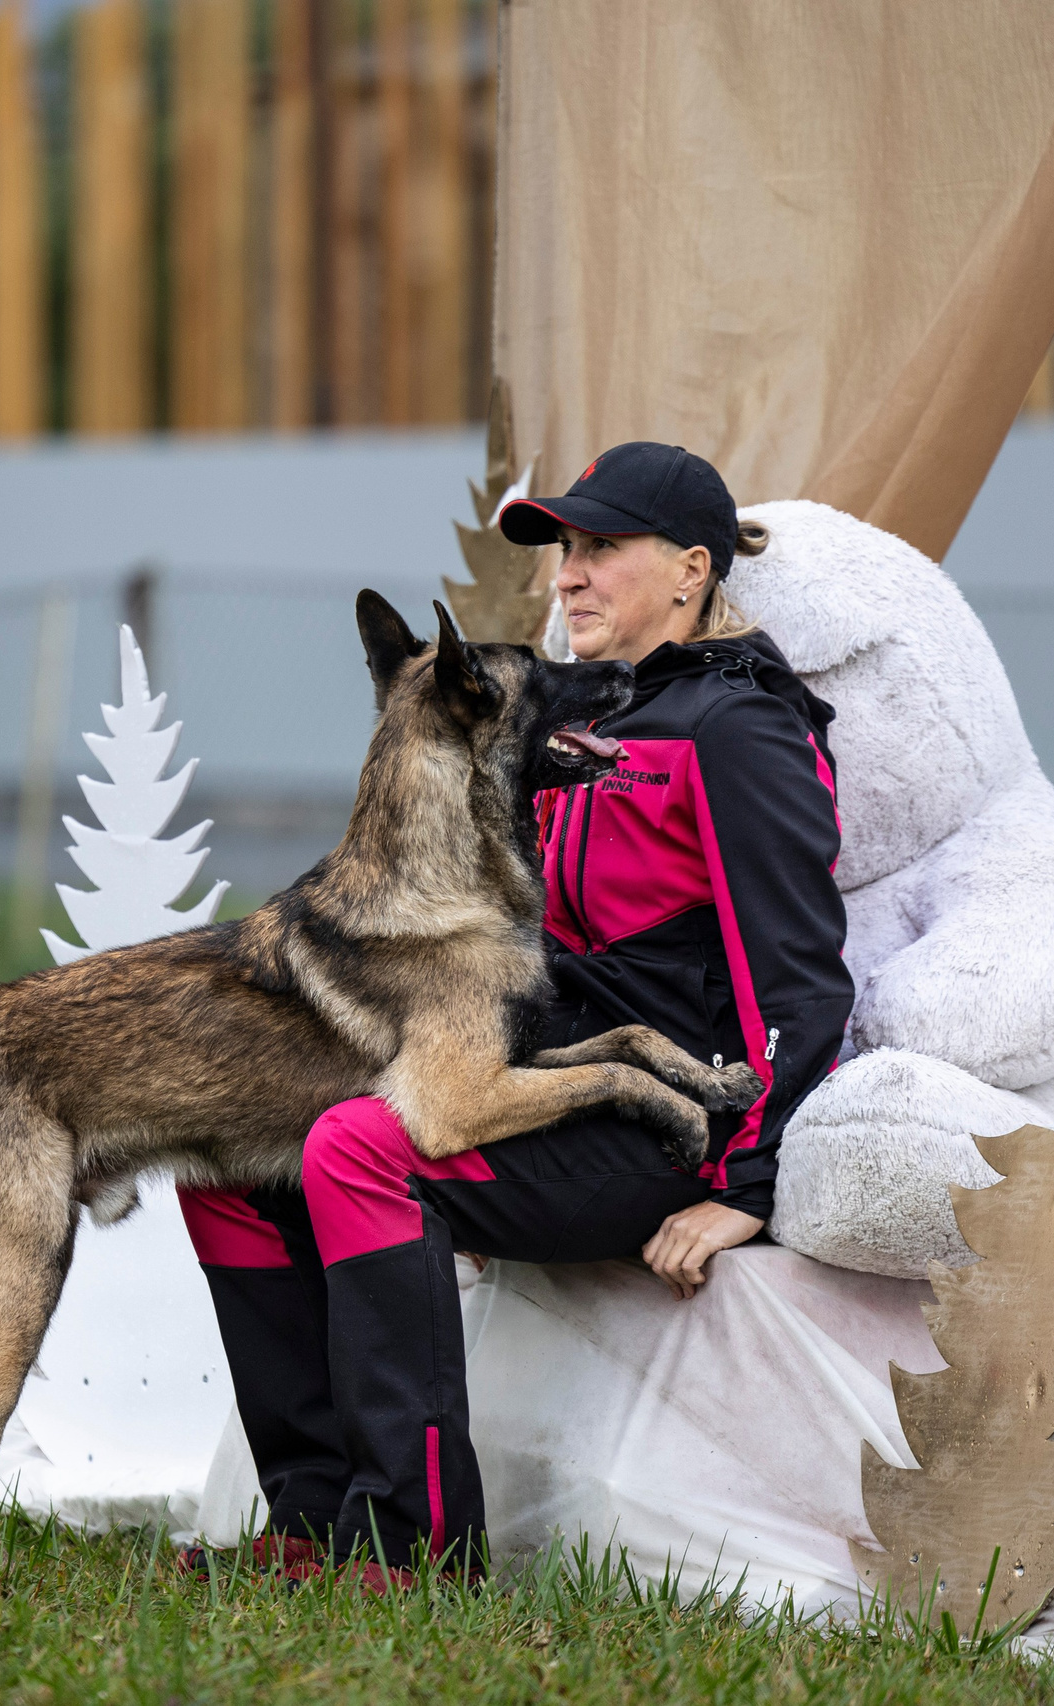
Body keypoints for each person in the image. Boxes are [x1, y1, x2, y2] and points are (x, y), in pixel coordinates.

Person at [176, 443, 852, 1587]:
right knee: (226, 1153)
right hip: (524, 1076)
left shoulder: (739, 729)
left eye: (599, 550)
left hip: (655, 1118)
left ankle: (418, 1547)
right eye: (562, 552)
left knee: (355, 1152)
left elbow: (799, 974)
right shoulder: (568, 711)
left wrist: (743, 1184)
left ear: (691, 569)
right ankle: (309, 1520)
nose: (566, 578)